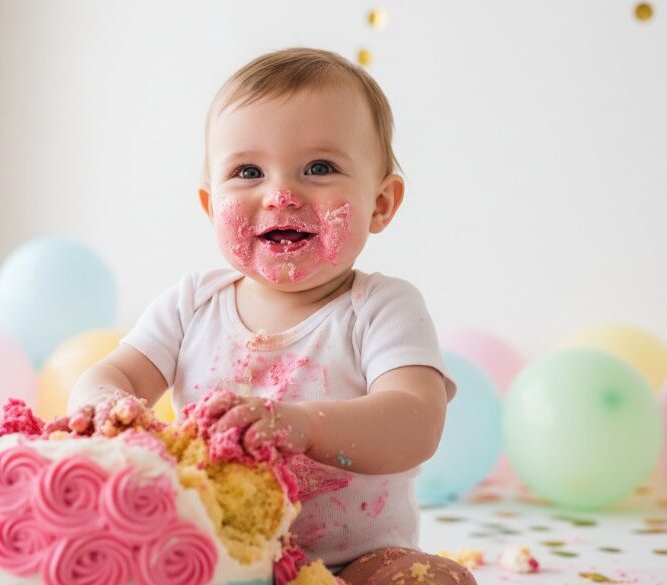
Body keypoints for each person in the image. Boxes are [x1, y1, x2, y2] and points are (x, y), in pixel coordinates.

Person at [70, 48, 477, 584]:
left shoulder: (380, 308)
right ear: (211, 205)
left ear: (381, 203)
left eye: (319, 167)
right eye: (248, 171)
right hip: (210, 555)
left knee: (428, 581)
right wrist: (107, 407)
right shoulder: (192, 303)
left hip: (350, 564)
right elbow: (114, 373)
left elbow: (415, 420)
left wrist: (303, 426)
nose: (282, 195)